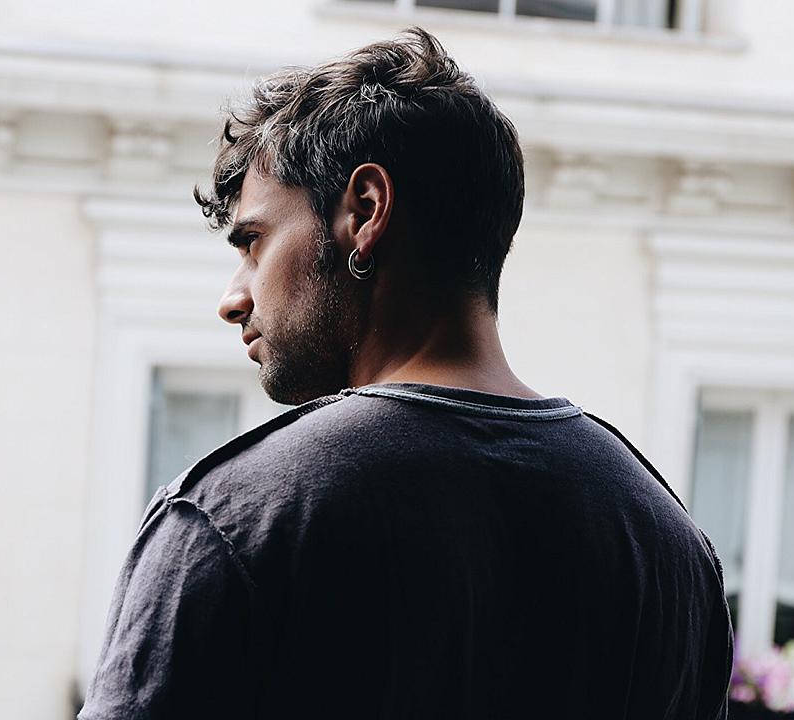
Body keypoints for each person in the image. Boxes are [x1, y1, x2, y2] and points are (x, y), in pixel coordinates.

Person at [78, 27, 733, 719]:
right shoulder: (670, 549)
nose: (233, 298)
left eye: (254, 242)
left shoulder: (236, 520)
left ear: (365, 211)